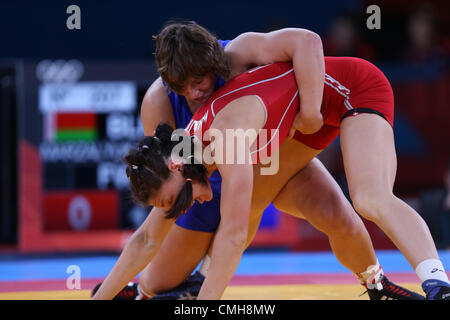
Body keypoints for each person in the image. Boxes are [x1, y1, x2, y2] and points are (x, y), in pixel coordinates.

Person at [91, 39, 425, 299]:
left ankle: (377, 285)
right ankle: (146, 290)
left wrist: (309, 112)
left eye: (201, 80)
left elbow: (305, 42)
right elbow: (149, 233)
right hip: (240, 160)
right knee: (163, 278)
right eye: (185, 86)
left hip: (272, 153)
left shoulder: (236, 63)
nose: (197, 93)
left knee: (338, 216)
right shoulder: (173, 129)